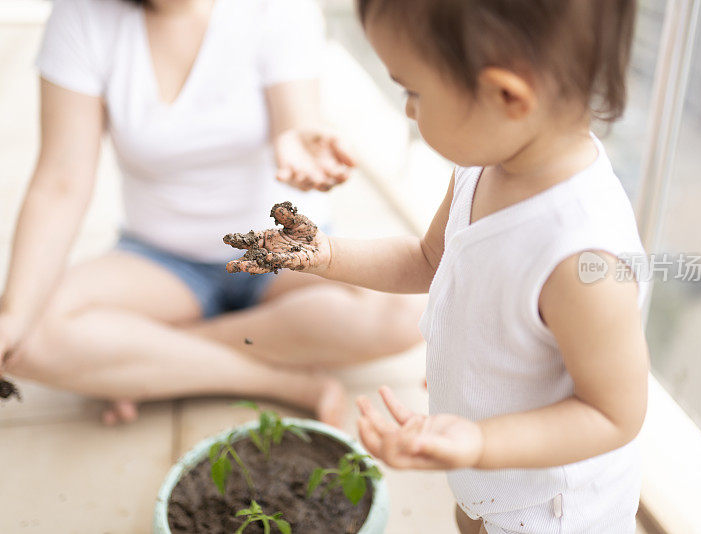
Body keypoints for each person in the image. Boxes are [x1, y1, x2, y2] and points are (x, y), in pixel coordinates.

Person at [224, 1, 650, 532]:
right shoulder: (488, 164)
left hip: (550, 509)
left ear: (505, 95)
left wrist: (482, 441)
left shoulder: (582, 255)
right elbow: (429, 259)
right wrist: (329, 255)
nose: (407, 110)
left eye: (413, 91)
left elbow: (613, 414)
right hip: (485, 472)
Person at [0, 0, 423, 427]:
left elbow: (296, 122)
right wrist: (12, 317)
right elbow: (60, 183)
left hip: (279, 252)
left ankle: (147, 362)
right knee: (27, 337)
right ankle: (279, 382)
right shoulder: (81, 15)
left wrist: (303, 148)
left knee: (408, 314)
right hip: (161, 260)